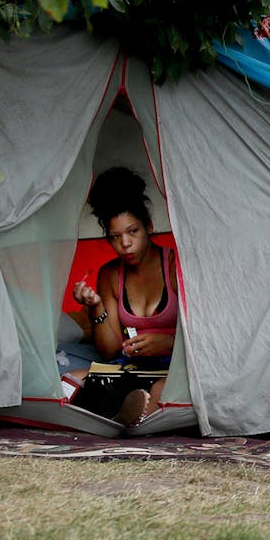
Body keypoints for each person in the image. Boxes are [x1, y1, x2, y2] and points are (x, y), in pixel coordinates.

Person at [70, 166, 180, 425]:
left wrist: (170, 342)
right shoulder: (110, 274)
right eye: (115, 237)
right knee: (70, 381)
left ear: (149, 227)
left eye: (133, 232)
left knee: (161, 390)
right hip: (132, 368)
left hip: (175, 366)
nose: (126, 244)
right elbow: (108, 350)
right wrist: (95, 306)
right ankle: (125, 417)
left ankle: (120, 419)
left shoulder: (176, 267)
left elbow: (209, 333)